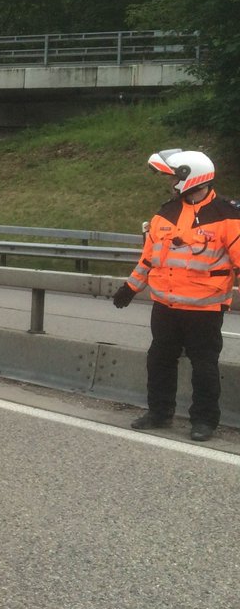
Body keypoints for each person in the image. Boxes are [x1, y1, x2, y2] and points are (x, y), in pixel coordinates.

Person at [113, 149, 240, 441]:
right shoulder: (165, 212)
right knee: (158, 359)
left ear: (191, 176)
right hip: (166, 305)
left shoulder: (227, 215)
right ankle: (159, 413)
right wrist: (130, 288)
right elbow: (149, 258)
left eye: (173, 176)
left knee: (204, 366)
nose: (170, 182)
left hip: (204, 309)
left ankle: (205, 421)